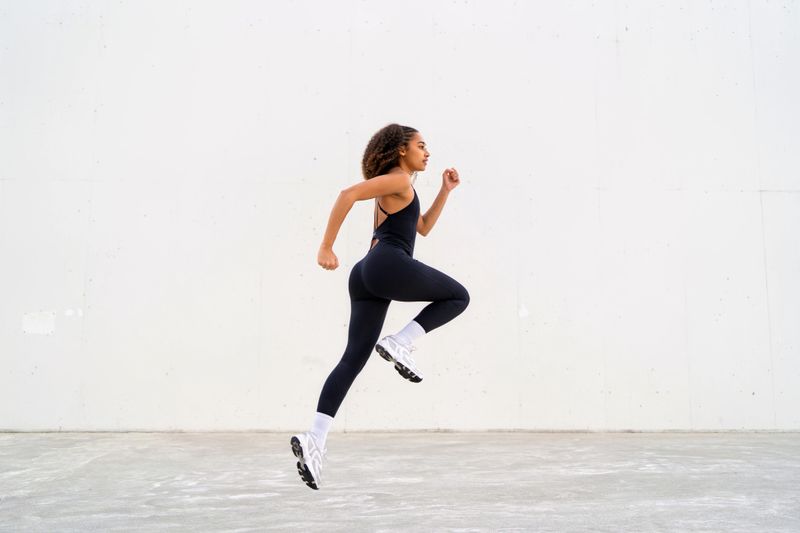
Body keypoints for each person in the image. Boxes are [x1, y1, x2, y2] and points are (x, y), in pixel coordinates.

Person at [290, 123, 470, 490]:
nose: (427, 152)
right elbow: (347, 194)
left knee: (352, 359)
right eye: (421, 145)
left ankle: (315, 439)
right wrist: (325, 246)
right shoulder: (398, 180)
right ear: (402, 150)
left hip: (367, 274)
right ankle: (401, 342)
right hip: (387, 264)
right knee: (458, 297)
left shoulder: (402, 186)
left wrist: (444, 192)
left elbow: (421, 228)